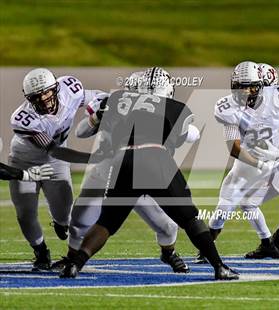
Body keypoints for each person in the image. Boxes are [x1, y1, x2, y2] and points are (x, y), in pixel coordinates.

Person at [59, 67, 238, 280]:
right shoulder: (174, 106)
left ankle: (75, 265)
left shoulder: (116, 99)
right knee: (190, 218)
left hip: (120, 161)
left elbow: (85, 129)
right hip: (154, 157)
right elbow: (184, 137)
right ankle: (219, 266)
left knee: (106, 222)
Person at [51, 72, 197, 273]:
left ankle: (168, 253)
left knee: (167, 227)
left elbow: (192, 134)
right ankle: (72, 258)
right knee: (80, 219)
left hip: (141, 173)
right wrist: (97, 116)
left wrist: (184, 129)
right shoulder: (113, 103)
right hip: (107, 170)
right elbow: (81, 131)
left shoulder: (162, 110)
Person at [196, 61, 279, 264]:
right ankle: (208, 249)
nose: (244, 91)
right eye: (239, 86)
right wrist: (258, 163)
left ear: (260, 85)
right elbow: (233, 148)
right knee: (224, 208)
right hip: (248, 161)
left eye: (249, 86)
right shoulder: (228, 107)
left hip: (277, 159)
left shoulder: (278, 99)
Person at [9, 68, 103, 270]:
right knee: (25, 213)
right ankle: (41, 251)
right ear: (29, 98)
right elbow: (54, 150)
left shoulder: (70, 89)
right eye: (36, 96)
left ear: (56, 88)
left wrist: (109, 104)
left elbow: (95, 97)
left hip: (55, 162)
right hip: (25, 161)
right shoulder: (24, 119)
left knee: (64, 212)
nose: (43, 99)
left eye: (46, 92)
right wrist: (94, 158)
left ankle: (60, 223)